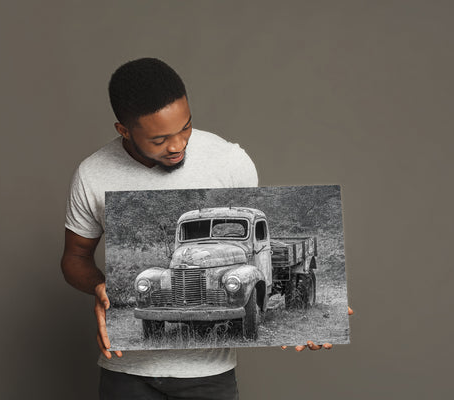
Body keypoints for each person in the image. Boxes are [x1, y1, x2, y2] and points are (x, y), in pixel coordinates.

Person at [61, 58, 352, 399]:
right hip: (125, 374)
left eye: (185, 127)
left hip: (210, 376)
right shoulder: (92, 173)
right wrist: (99, 286)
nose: (178, 145)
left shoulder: (229, 160)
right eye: (159, 139)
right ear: (123, 130)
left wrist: (306, 330)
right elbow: (75, 257)